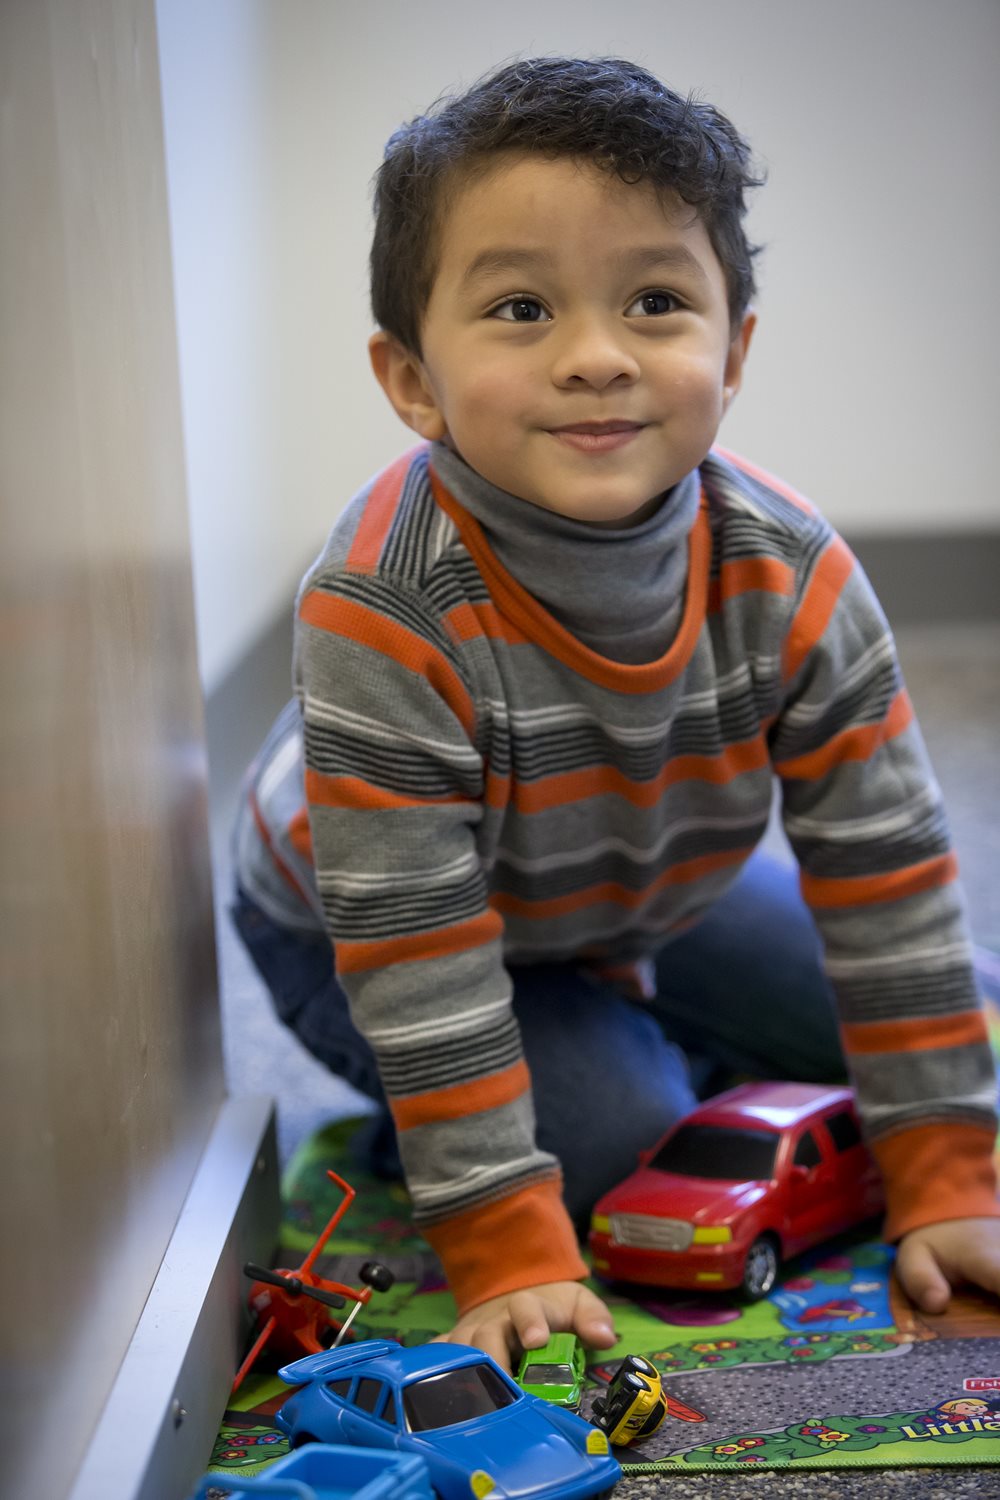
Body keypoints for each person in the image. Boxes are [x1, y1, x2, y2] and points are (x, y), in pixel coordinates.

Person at [232, 56, 1000, 1371]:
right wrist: (503, 1239)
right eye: (522, 309)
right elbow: (415, 956)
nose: (596, 358)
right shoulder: (381, 602)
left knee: (969, 1024)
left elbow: (888, 878)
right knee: (614, 1150)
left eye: (655, 301)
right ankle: (582, 1074)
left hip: (640, 889)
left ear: (734, 347)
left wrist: (946, 1174)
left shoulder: (793, 570)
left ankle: (641, 1027)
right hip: (358, 924)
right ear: (413, 379)